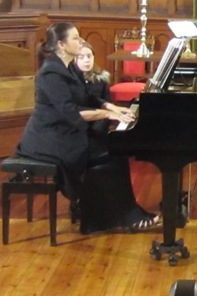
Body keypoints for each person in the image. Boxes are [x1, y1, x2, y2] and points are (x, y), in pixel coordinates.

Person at [15, 23, 159, 233]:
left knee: (114, 150)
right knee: (111, 152)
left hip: (63, 133)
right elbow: (70, 112)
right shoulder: (50, 74)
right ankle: (114, 217)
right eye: (75, 38)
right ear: (61, 45)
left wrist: (111, 106)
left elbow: (88, 97)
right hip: (49, 141)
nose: (80, 41)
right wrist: (107, 114)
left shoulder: (68, 68)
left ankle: (106, 217)